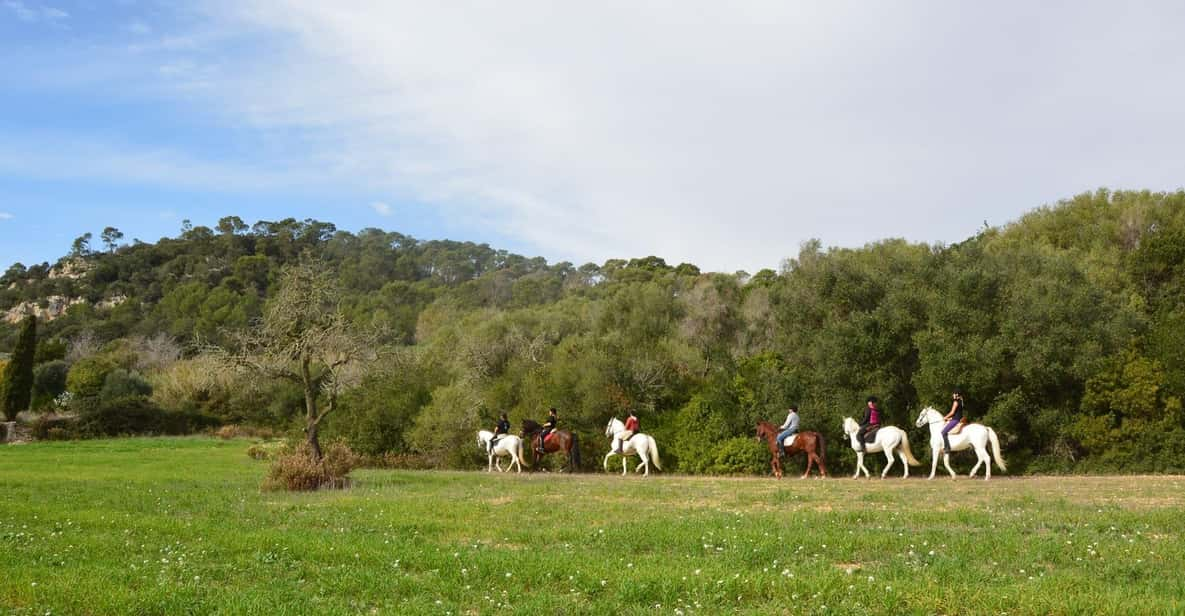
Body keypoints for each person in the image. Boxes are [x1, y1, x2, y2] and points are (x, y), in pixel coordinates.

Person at [942, 389, 965, 454]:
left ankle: (947, 448)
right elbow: (958, 413)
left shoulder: (955, 402)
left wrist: (945, 417)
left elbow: (952, 412)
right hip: (958, 418)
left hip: (956, 420)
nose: (953, 395)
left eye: (954, 394)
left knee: (943, 432)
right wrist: (950, 418)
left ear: (956, 394)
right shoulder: (961, 401)